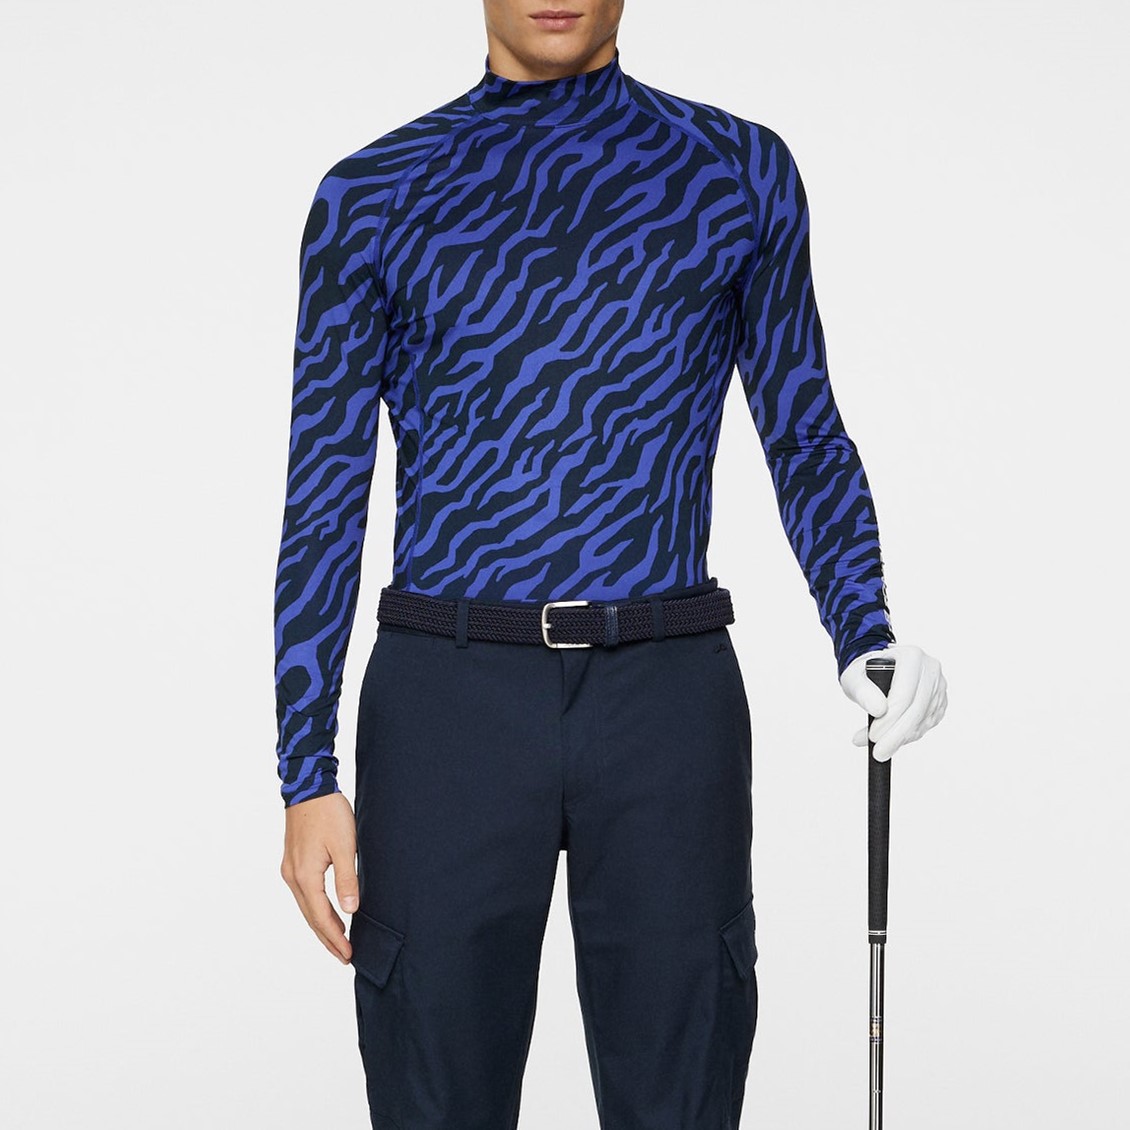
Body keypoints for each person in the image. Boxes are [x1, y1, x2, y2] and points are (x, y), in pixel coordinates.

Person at [273, 2, 948, 1125]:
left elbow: (802, 430)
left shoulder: (736, 172)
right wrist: (305, 768)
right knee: (434, 1098)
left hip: (664, 691)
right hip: (446, 697)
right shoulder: (372, 194)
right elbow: (325, 485)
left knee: (680, 1097)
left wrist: (862, 627)